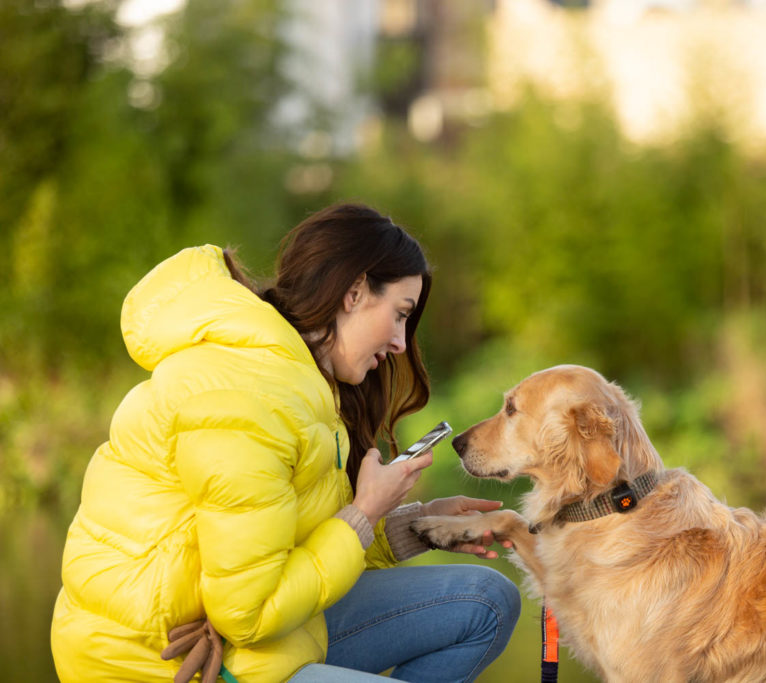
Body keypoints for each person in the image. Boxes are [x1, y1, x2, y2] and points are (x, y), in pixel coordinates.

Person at [51, 203, 520, 682]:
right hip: (162, 660)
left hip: (237, 630)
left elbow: (289, 545)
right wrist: (362, 513)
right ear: (354, 292)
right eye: (399, 314)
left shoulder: (302, 385)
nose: (401, 342)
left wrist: (415, 524)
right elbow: (249, 613)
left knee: (486, 601)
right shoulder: (249, 396)